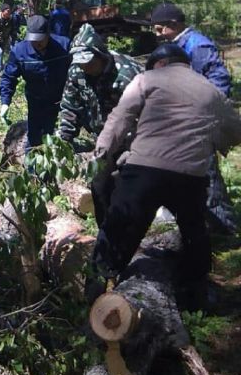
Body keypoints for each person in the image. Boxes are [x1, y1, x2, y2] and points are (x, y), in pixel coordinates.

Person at [91, 43, 241, 309]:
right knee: (194, 231)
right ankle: (195, 293)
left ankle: (96, 289)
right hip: (190, 176)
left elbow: (120, 117)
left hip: (144, 171)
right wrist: (213, 141)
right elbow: (234, 129)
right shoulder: (211, 90)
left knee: (117, 230)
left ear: (159, 63)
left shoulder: (146, 79)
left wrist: (101, 155)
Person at [150, 1, 235, 233]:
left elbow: (220, 82)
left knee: (206, 175)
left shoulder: (197, 46)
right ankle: (201, 223)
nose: (158, 35)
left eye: (160, 29)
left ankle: (225, 229)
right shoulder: (177, 46)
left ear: (174, 25)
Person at [59, 23, 144, 224]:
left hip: (133, 140)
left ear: (101, 55)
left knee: (129, 188)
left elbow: (148, 116)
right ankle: (105, 231)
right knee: (99, 186)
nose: (85, 68)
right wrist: (64, 140)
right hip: (103, 140)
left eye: (89, 62)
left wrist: (136, 149)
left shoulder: (127, 75)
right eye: (80, 63)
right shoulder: (77, 72)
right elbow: (70, 107)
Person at [0, 14, 71, 151]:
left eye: (40, 39)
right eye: (33, 40)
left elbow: (77, 72)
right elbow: (9, 77)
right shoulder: (19, 51)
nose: (37, 43)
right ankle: (33, 168)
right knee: (35, 136)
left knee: (61, 135)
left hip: (61, 98)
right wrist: (5, 102)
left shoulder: (64, 46)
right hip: (36, 99)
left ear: (48, 34)